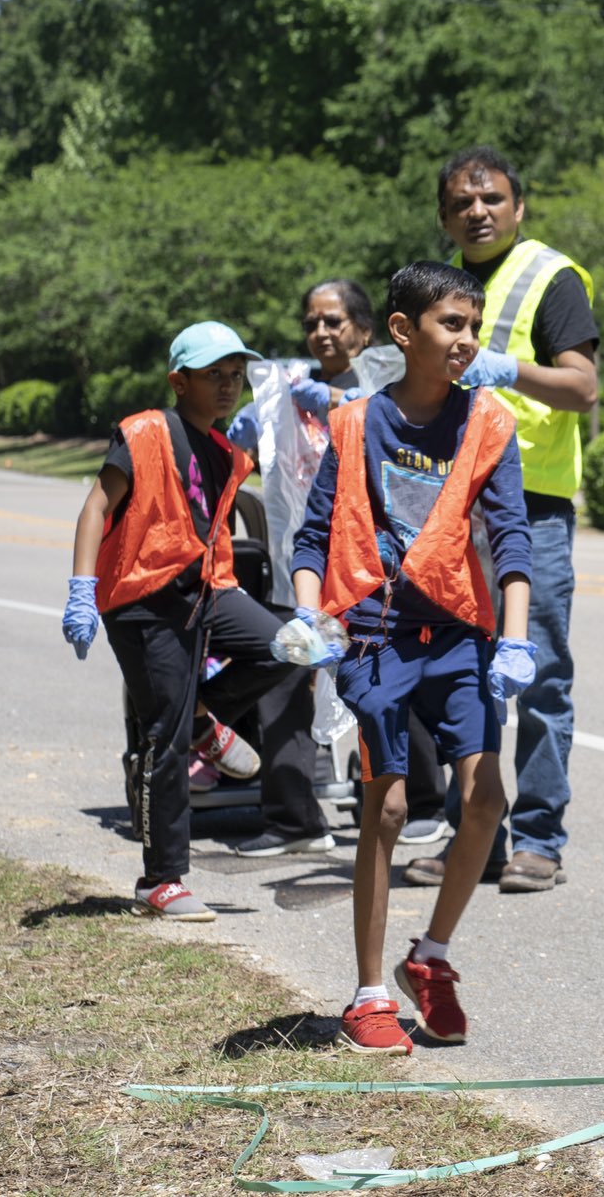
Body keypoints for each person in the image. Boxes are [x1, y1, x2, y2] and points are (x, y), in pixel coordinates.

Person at [284, 262, 536, 1054]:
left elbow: (512, 537)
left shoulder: (488, 423)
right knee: (388, 808)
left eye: (474, 327)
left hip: (458, 636)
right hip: (375, 635)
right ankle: (368, 996)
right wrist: (308, 612)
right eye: (451, 325)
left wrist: (516, 639)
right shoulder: (357, 423)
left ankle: (430, 957)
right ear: (403, 330)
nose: (467, 341)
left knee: (486, 799)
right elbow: (312, 534)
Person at [404, 145, 597, 896]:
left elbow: (582, 388)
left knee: (538, 673)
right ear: (443, 216)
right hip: (453, 509)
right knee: (462, 677)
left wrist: (507, 369)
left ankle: (540, 840)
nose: (477, 211)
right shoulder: (439, 286)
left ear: (519, 206)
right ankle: (476, 837)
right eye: (462, 202)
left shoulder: (551, 277)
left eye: (491, 199)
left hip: (533, 507)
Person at [60, 322, 302, 921]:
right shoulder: (144, 432)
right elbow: (96, 507)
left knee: (289, 647)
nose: (228, 385)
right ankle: (161, 880)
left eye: (235, 375)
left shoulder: (226, 453)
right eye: (213, 374)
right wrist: (82, 588)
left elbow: (209, 532)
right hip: (142, 599)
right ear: (179, 381)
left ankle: (200, 720)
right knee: (161, 734)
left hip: (205, 589)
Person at [223, 279, 381, 858]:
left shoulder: (384, 383)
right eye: (312, 322)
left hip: (369, 565)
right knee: (286, 673)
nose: (321, 332)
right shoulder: (284, 391)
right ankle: (293, 820)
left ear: (364, 330)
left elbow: (389, 426)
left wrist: (334, 402)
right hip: (303, 563)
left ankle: (403, 808)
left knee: (378, 685)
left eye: (334, 321)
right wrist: (250, 428)